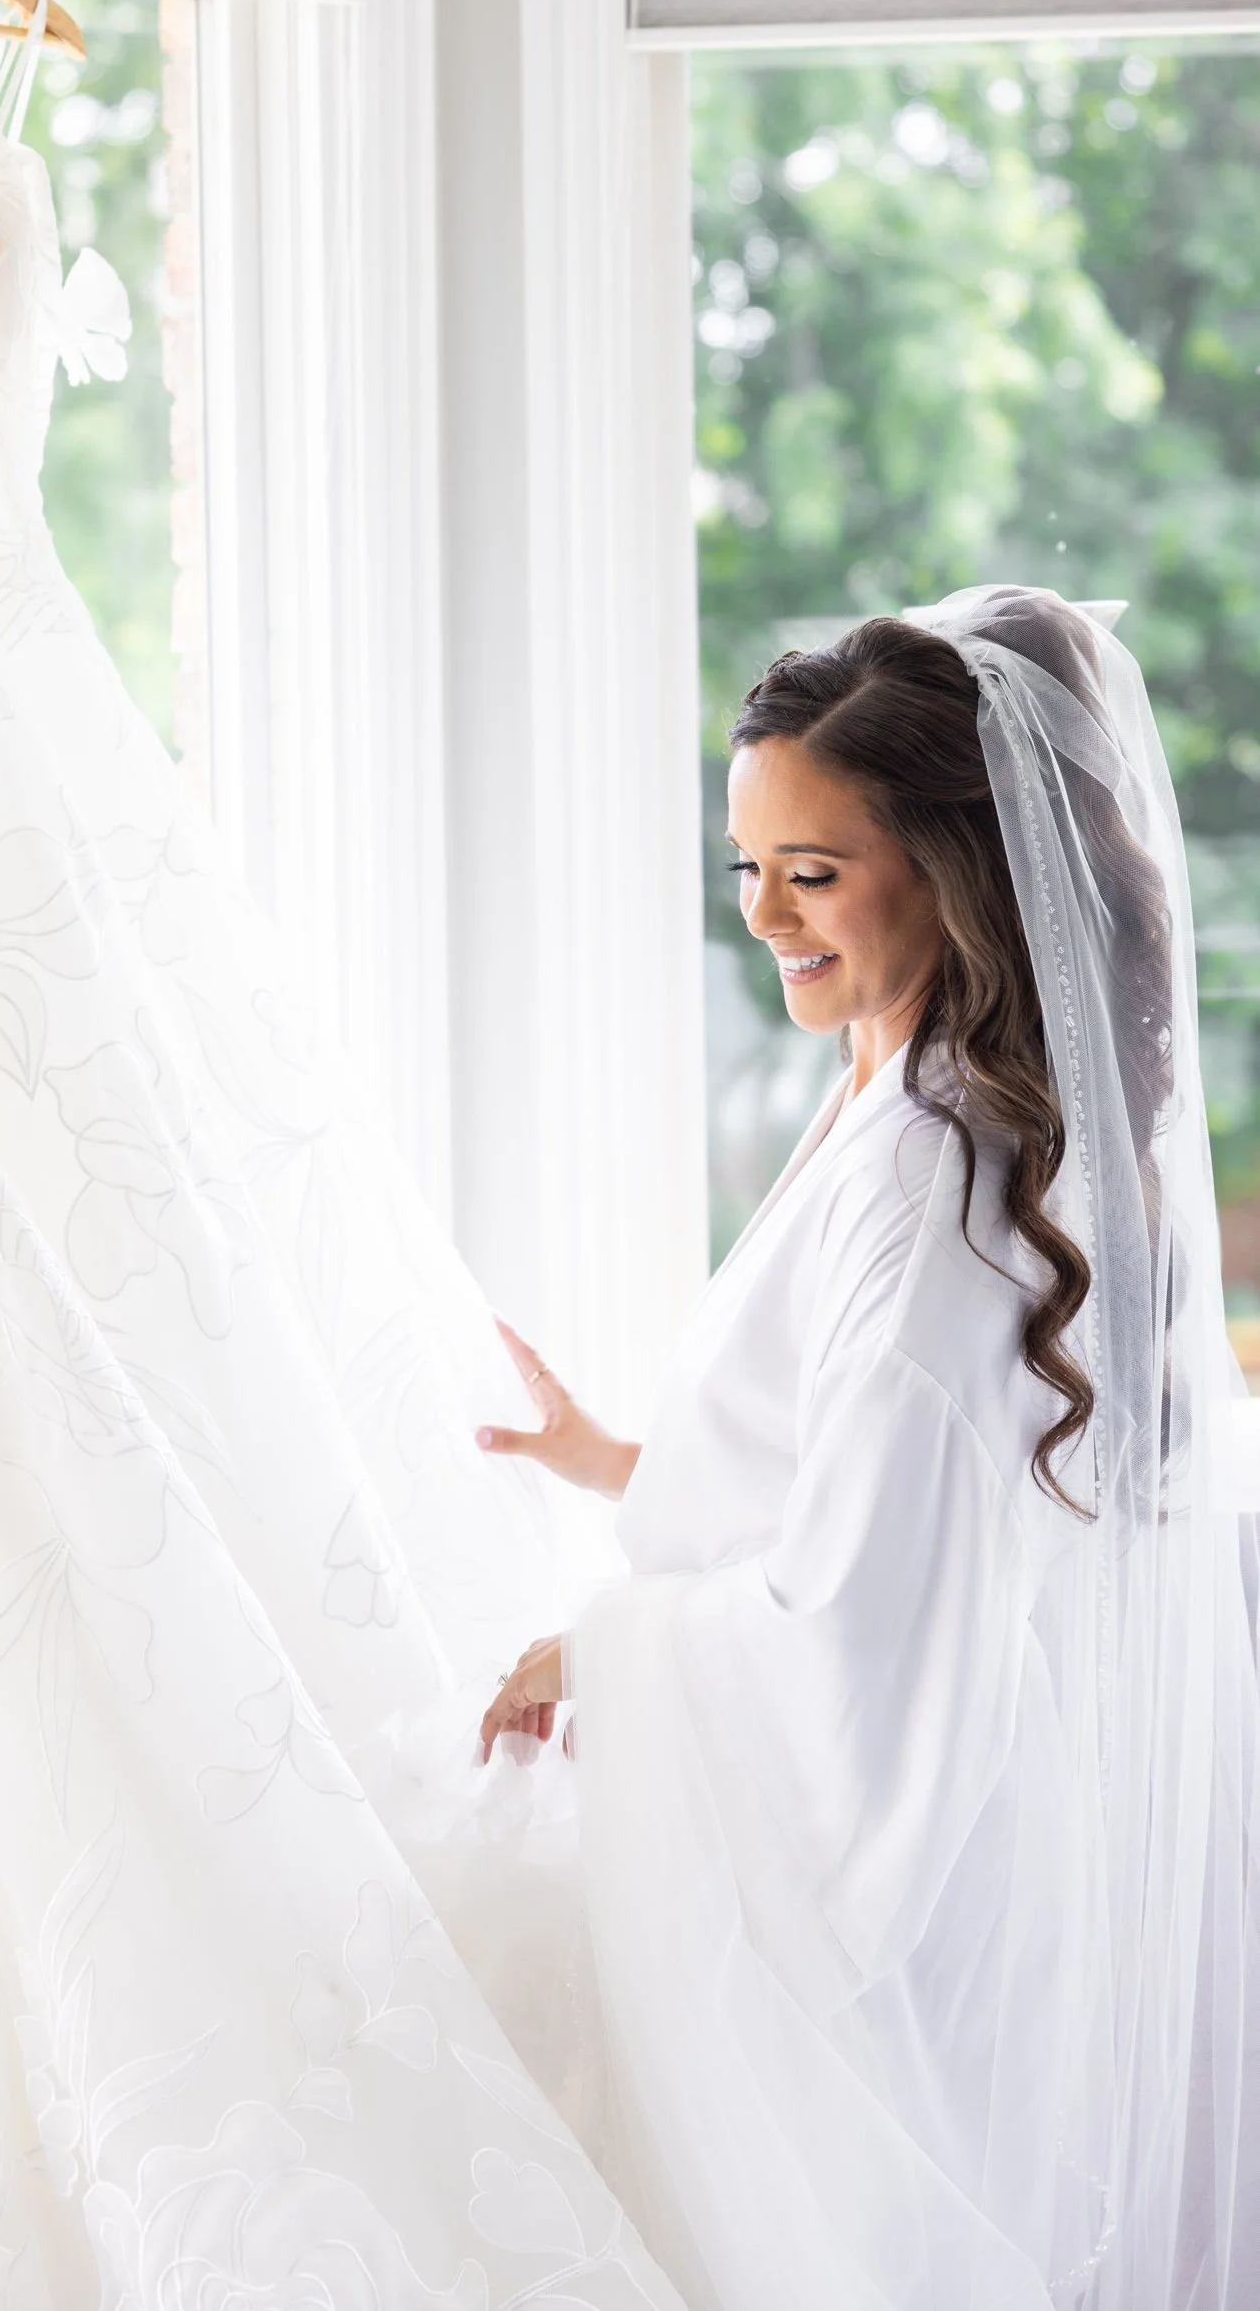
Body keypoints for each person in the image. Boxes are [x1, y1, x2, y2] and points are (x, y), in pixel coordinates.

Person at [473, 589, 1260, 2310]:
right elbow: (869, 1488)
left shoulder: (931, 1179)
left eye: (812, 873)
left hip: (920, 1907)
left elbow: (863, 1634)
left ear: (956, 873)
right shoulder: (902, 1090)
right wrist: (618, 1463)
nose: (763, 916)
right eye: (744, 867)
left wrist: (601, 1648)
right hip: (977, 1837)